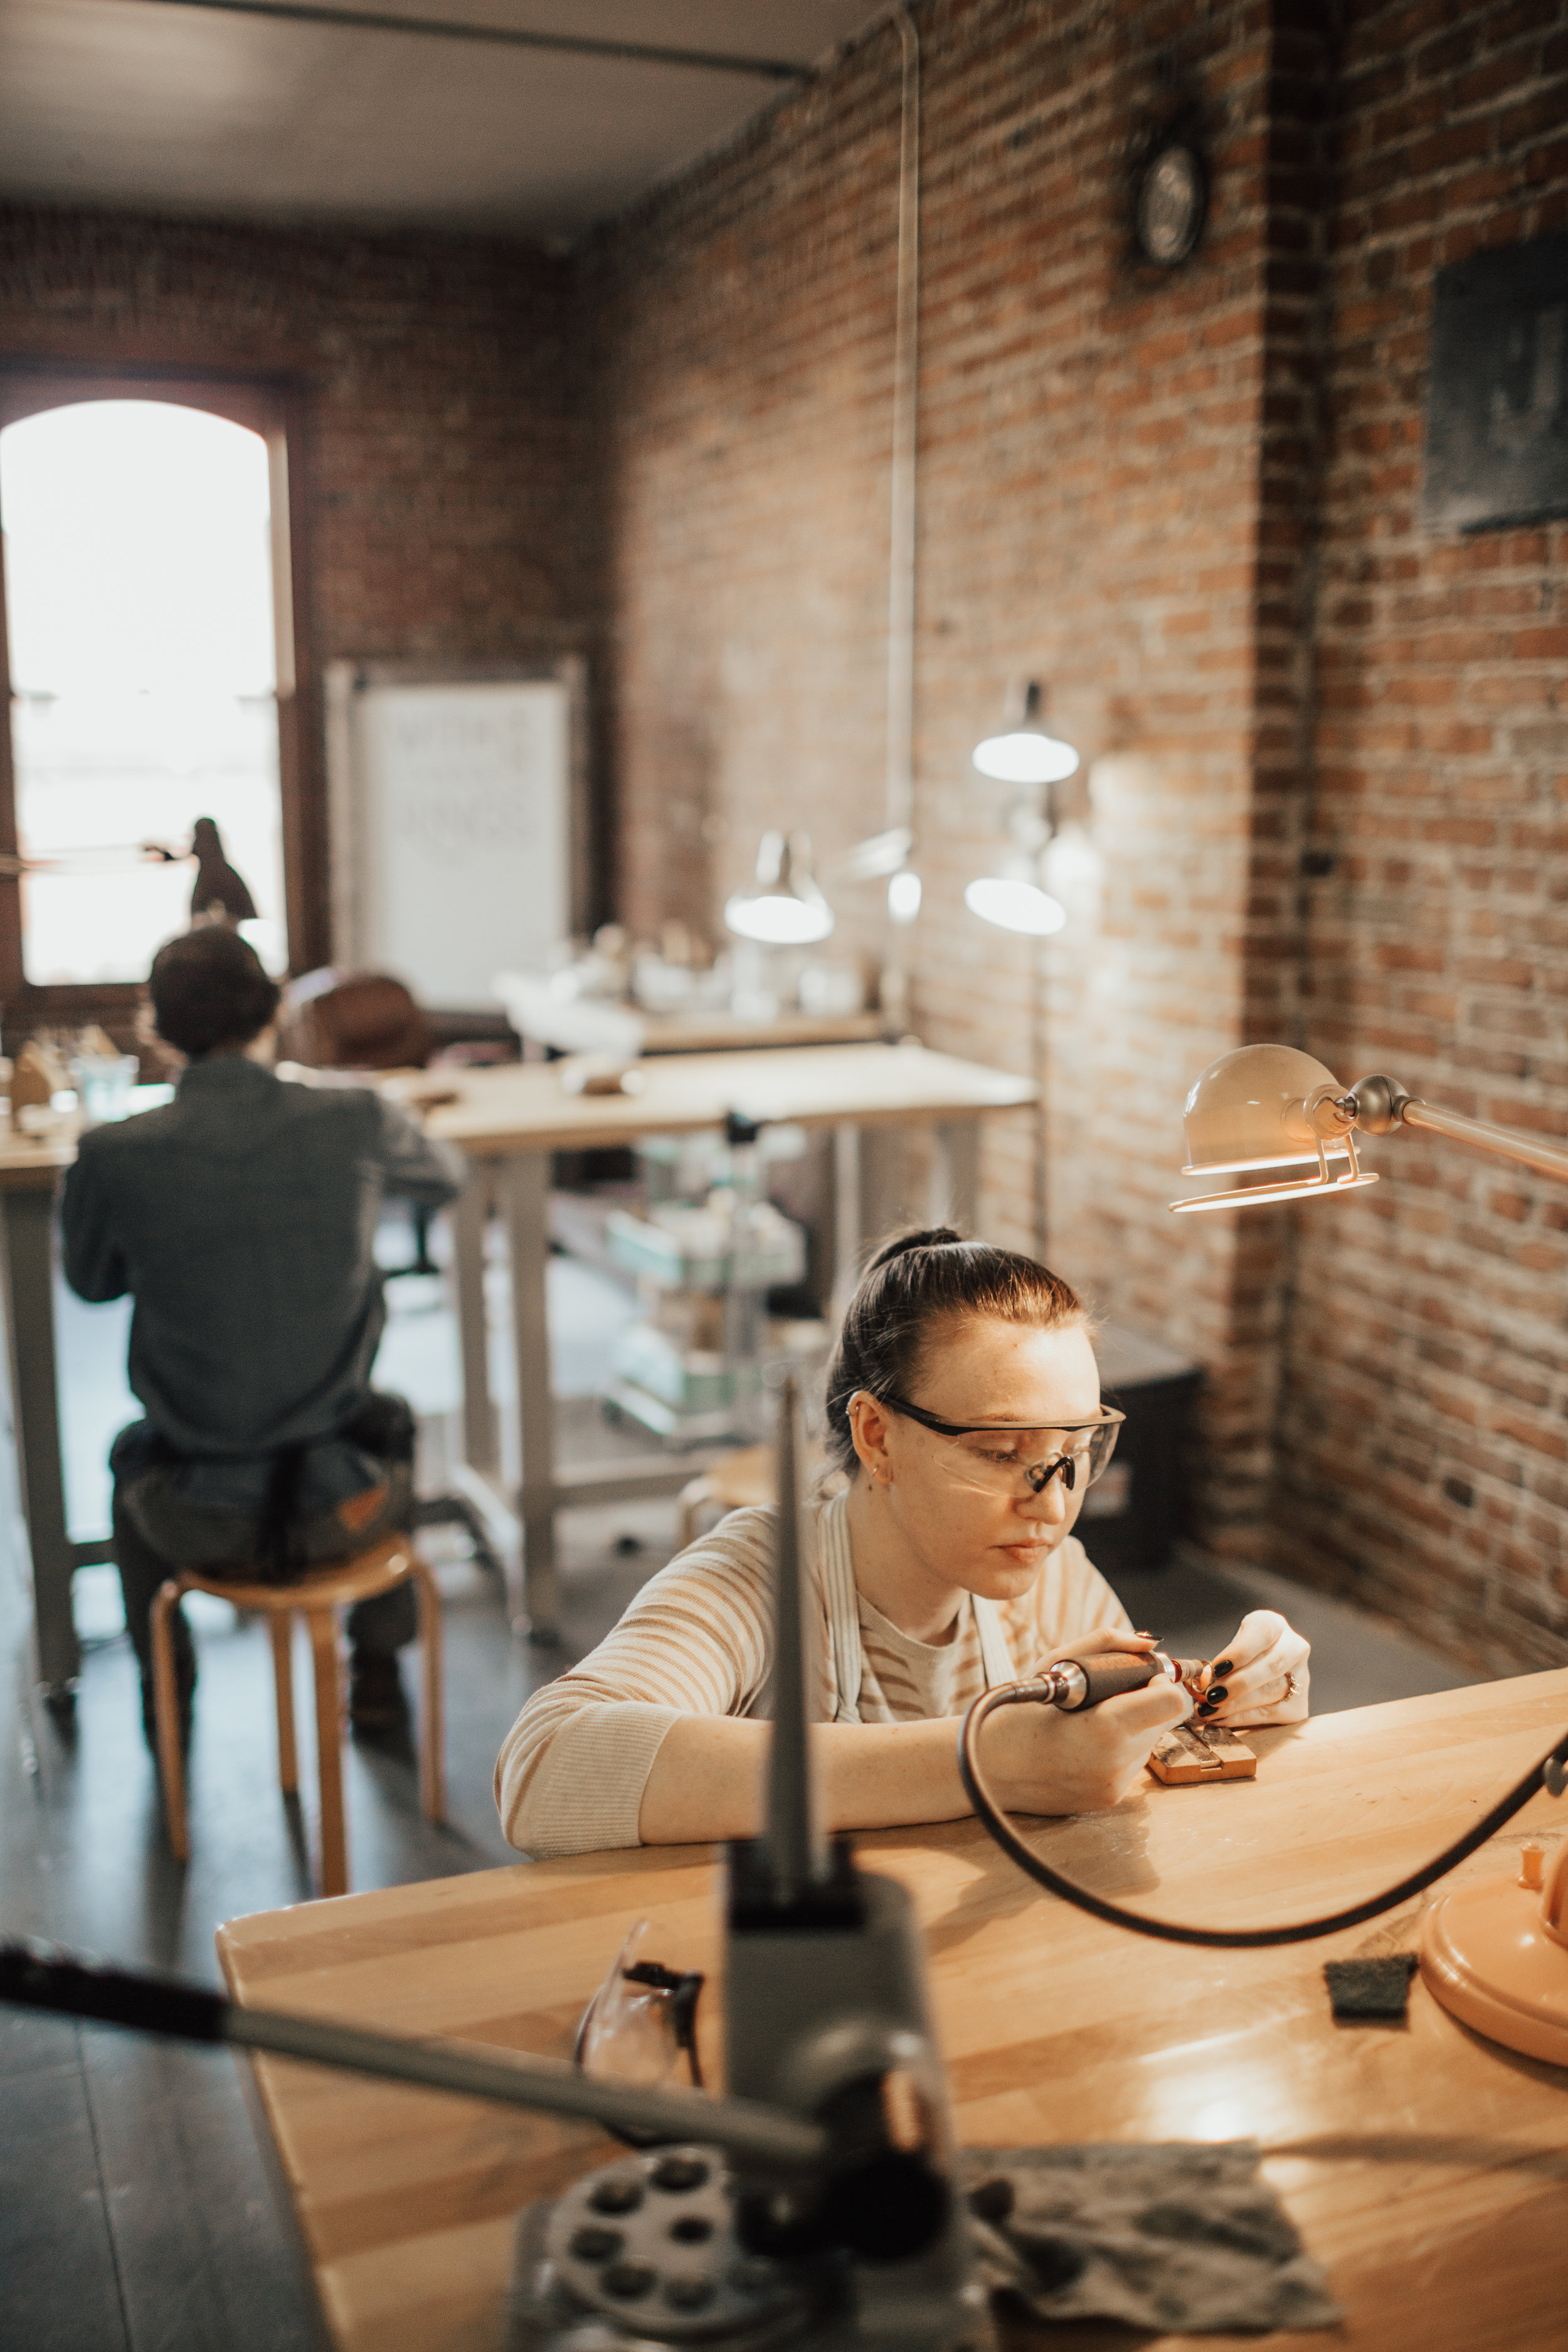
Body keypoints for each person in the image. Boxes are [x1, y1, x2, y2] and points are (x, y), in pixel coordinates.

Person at [496, 1229, 1311, 1858]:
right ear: (877, 1434)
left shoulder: (1052, 1574)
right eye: (1002, 1454)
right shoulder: (760, 1579)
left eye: (1074, 1454)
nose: (1054, 1504)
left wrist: (1210, 1697)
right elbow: (545, 1768)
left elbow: (1097, 1765)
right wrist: (989, 1758)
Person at [60, 926, 465, 1738]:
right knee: (391, 1419)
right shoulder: (353, 1115)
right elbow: (446, 1177)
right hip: (348, 1499)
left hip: (190, 1512)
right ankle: (378, 1673)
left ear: (159, 1029)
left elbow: (91, 1283)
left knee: (129, 1453)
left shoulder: (111, 1153)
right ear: (273, 1009)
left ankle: (164, 1690)